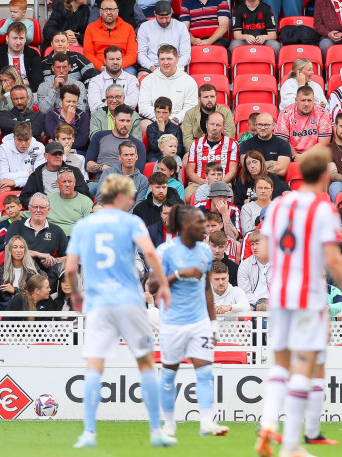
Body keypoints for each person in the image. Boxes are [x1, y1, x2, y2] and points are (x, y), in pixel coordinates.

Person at [254, 149, 342, 457]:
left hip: (278, 293)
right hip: (308, 296)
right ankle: (290, 445)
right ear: (326, 176)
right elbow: (333, 259)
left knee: (280, 365)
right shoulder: (323, 207)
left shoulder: (278, 204)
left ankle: (267, 425)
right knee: (305, 364)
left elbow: (262, 253)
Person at [66, 175, 174, 448]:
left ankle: (88, 433)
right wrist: (163, 285)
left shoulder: (85, 225)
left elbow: (69, 268)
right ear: (123, 196)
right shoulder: (131, 222)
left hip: (98, 303)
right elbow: (150, 254)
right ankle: (155, 430)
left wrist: (77, 295)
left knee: (94, 367)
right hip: (128, 300)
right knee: (146, 364)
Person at [151, 205, 229, 436]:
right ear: (186, 226)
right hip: (173, 321)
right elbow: (153, 285)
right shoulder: (165, 251)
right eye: (199, 224)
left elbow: (206, 287)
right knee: (168, 375)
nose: (204, 228)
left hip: (199, 322)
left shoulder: (205, 251)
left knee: (205, 373)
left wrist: (213, 322)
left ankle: (207, 423)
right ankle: (168, 424)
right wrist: (179, 274)